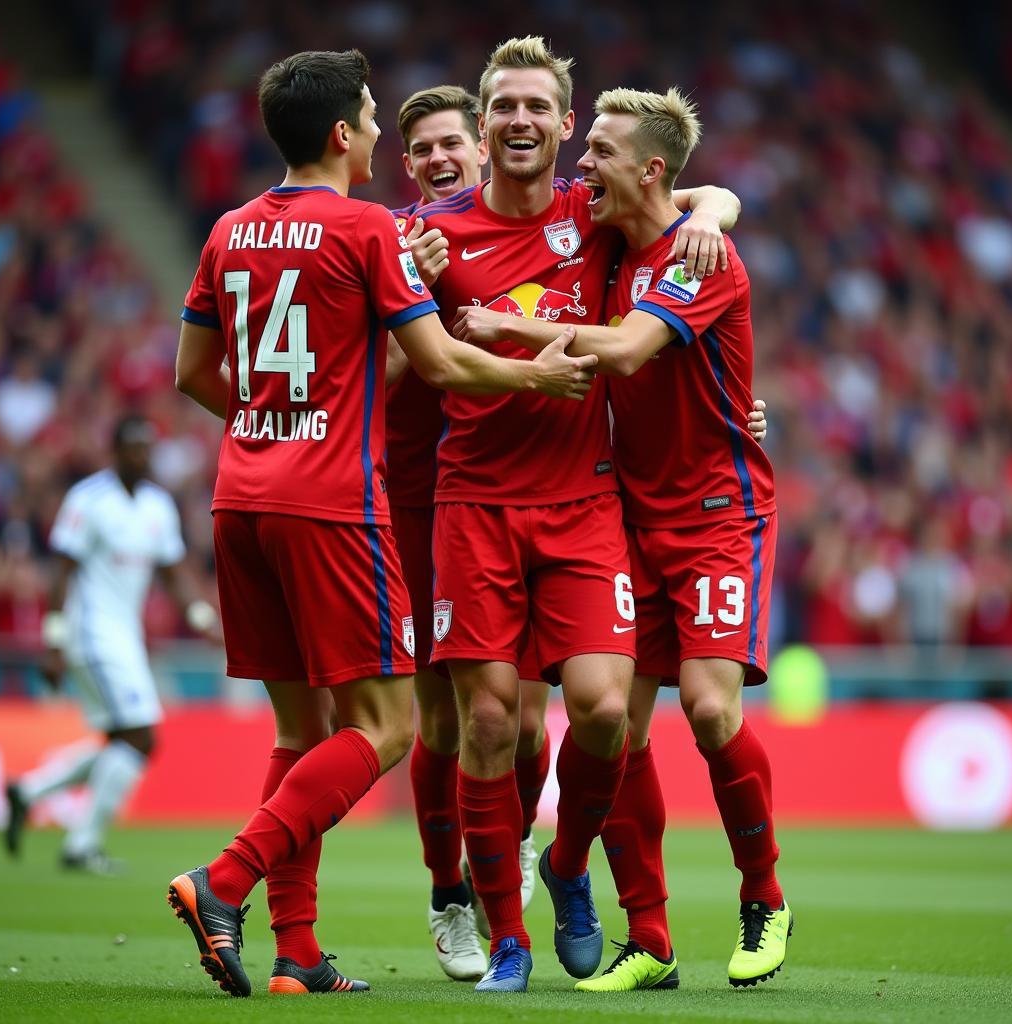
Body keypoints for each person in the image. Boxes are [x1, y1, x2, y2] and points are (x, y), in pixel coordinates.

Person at [168, 48, 595, 999]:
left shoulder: (229, 228)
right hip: (331, 507)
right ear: (341, 136)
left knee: (299, 732)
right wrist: (540, 375)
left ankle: (298, 953)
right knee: (391, 725)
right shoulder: (367, 229)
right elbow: (440, 364)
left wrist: (276, 418)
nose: (375, 133)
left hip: (240, 498)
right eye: (369, 119)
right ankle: (223, 879)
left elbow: (193, 375)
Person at [412, 36, 742, 992]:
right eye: (502, 106)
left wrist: (714, 207)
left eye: (537, 107)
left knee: (602, 710)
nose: (519, 120)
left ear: (565, 124)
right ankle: (505, 940)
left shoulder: (590, 214)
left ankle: (565, 869)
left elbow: (694, 196)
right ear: (484, 125)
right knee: (486, 722)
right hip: (472, 502)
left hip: (583, 503)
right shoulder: (426, 237)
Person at [389, 85, 550, 982]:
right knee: (443, 717)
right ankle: (450, 892)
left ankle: (513, 844)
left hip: (518, 496)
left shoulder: (532, 225)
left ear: (482, 150)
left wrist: (717, 205)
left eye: (454, 142)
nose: (441, 158)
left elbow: (676, 197)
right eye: (423, 150)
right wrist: (408, 287)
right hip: (415, 502)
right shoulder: (394, 244)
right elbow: (370, 374)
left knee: (526, 723)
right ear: (407, 166)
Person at [2, 414, 221, 874]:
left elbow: (172, 573)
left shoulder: (158, 506)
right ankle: (81, 844)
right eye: (135, 448)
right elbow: (61, 572)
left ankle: (29, 792)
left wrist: (201, 616)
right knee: (141, 738)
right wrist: (54, 641)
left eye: (147, 448)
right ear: (116, 451)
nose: (142, 456)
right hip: (92, 632)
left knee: (122, 740)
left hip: (125, 636)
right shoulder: (89, 500)